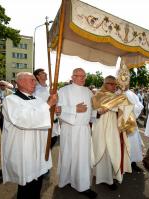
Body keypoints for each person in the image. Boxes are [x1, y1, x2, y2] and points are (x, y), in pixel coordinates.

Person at [1, 72, 57, 199]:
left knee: (37, 180)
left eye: (34, 80)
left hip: (38, 146)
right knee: (26, 183)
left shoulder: (37, 99)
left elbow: (44, 116)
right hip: (23, 148)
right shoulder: (11, 100)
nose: (35, 83)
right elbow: (22, 120)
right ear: (20, 82)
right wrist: (47, 105)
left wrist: (54, 111)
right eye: (32, 80)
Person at [57, 68, 97, 199]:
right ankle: (66, 179)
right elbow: (57, 110)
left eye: (84, 76)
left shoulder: (89, 91)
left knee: (82, 158)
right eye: (79, 76)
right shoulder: (63, 91)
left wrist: (98, 112)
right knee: (68, 155)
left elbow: (93, 111)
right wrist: (75, 109)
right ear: (73, 77)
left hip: (84, 129)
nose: (83, 78)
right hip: (69, 129)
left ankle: (82, 185)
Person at [91, 76, 135, 190]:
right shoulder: (98, 94)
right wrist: (120, 100)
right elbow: (98, 108)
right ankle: (104, 178)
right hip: (101, 126)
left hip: (112, 126)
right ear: (105, 84)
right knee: (103, 150)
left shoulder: (116, 96)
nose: (114, 86)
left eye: (115, 84)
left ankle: (110, 175)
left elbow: (124, 106)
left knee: (112, 150)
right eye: (111, 84)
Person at [33, 68, 60, 149]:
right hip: (43, 121)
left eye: (45, 73)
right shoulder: (35, 90)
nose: (45, 74)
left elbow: (58, 102)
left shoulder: (52, 89)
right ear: (37, 76)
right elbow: (36, 106)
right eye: (42, 73)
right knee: (43, 147)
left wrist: (58, 109)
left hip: (54, 120)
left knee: (53, 140)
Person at [125, 87, 144, 172]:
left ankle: (133, 163)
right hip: (119, 123)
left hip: (131, 121)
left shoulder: (131, 94)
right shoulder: (116, 92)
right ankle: (123, 165)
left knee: (133, 144)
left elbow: (139, 105)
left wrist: (131, 107)